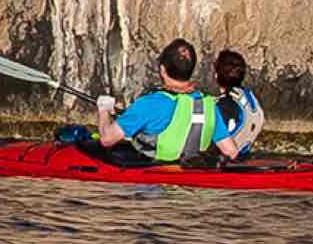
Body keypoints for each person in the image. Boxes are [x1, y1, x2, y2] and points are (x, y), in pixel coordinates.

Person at [96, 38, 240, 162]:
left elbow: (107, 139)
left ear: (163, 70)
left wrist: (103, 109)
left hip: (154, 179)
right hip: (190, 172)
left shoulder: (149, 104)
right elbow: (231, 151)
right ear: (191, 70)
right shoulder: (209, 104)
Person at [213, 48, 264, 158]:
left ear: (216, 75)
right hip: (244, 156)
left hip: (226, 162)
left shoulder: (223, 105)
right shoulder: (250, 97)